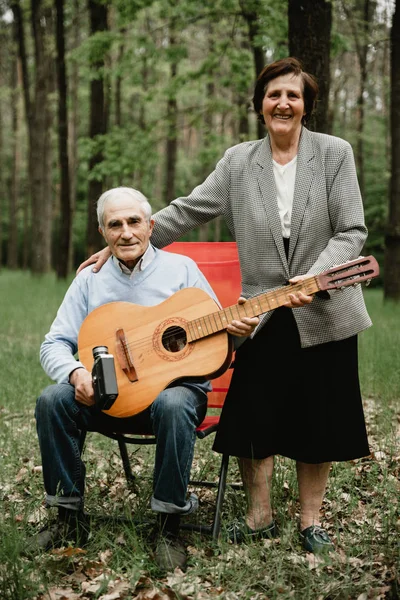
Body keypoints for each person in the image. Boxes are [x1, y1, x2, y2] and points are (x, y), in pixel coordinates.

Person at [78, 58, 372, 554]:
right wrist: (129, 243)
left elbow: (353, 231)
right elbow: (190, 209)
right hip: (257, 312)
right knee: (255, 414)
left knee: (318, 416)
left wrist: (316, 276)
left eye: (293, 96)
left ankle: (310, 522)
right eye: (273, 94)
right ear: (260, 104)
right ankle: (259, 517)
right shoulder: (239, 162)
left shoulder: (334, 154)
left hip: (325, 307)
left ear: (306, 106)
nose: (283, 103)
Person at [30, 187, 259, 571]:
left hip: (172, 399)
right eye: (114, 225)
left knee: (173, 402)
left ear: (151, 226)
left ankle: (169, 526)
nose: (126, 232)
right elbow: (53, 343)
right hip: (111, 400)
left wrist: (240, 330)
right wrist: (75, 372)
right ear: (103, 233)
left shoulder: (182, 269)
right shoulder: (91, 279)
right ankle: (68, 520)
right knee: (52, 399)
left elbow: (216, 338)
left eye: (134, 222)